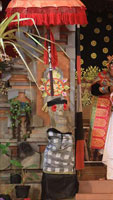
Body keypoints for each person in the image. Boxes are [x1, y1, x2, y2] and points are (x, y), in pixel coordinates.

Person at [40, 69, 78, 199]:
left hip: (66, 167)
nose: (61, 111)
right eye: (57, 108)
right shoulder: (52, 123)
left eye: (63, 108)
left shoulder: (67, 121)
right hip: (53, 166)